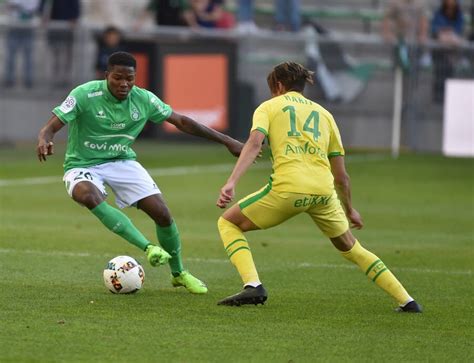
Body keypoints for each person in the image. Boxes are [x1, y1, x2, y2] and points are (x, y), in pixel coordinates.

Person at [215, 62, 422, 312]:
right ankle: (407, 301)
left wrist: (231, 182)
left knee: (228, 223)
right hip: (324, 192)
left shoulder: (269, 107)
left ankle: (253, 285)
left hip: (289, 188)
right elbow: (342, 175)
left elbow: (255, 143)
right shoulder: (325, 115)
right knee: (351, 246)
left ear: (279, 86)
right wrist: (350, 208)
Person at [37, 51, 243, 294]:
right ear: (106, 76)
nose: (124, 84)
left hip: (122, 161)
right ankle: (148, 248)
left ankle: (179, 274)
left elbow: (182, 122)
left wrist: (227, 140)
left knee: (162, 214)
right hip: (82, 164)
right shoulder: (85, 94)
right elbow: (51, 126)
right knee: (89, 196)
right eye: (118, 78)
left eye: (130, 79)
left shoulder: (143, 99)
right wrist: (43, 138)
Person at [431, 0, 466, 103]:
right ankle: (438, 98)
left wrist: (450, 35)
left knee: (449, 74)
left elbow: (458, 31)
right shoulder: (439, 13)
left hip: (452, 52)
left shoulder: (458, 15)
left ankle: (449, 99)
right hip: (440, 52)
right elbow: (435, 30)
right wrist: (445, 34)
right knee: (439, 74)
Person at [39, 0, 80, 87]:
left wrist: (74, 18)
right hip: (53, 27)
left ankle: (65, 78)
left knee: (66, 55)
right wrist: (43, 16)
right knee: (55, 55)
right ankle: (55, 79)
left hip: (67, 28)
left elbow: (76, 7)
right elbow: (43, 7)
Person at [3, 0, 40, 88]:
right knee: (10, 56)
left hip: (28, 28)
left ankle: (28, 80)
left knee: (28, 57)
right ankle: (9, 79)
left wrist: (19, 7)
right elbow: (9, 6)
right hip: (14, 27)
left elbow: (33, 9)